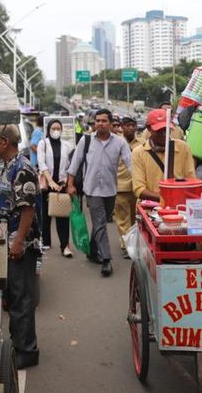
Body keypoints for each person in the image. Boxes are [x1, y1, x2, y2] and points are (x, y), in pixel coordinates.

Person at [0, 124, 40, 369]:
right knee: (14, 295)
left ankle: (27, 351)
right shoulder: (8, 167)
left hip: (20, 243)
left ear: (4, 142)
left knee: (21, 299)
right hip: (9, 240)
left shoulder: (22, 169)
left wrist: (18, 242)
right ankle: (20, 342)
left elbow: (28, 209)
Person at [66, 109, 132, 277]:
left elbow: (130, 164)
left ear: (110, 124)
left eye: (104, 121)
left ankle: (92, 251)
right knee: (100, 222)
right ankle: (106, 259)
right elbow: (75, 163)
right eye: (98, 121)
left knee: (99, 223)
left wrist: (140, 184)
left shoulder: (120, 143)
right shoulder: (86, 141)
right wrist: (70, 184)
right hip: (92, 189)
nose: (100, 123)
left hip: (111, 190)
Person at [131, 109, 197, 203]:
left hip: (179, 204)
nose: (163, 134)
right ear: (149, 128)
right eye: (159, 130)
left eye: (166, 130)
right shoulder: (138, 153)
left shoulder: (183, 148)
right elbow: (139, 189)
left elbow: (191, 180)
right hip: (151, 206)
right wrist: (165, 198)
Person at [36, 119, 75, 256]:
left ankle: (65, 246)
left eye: (58, 128)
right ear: (48, 130)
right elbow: (41, 163)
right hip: (48, 184)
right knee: (46, 214)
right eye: (53, 128)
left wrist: (65, 181)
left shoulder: (67, 146)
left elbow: (71, 165)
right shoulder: (43, 144)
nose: (56, 131)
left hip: (62, 184)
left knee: (63, 216)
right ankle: (46, 242)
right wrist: (51, 181)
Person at [114, 116, 143, 259]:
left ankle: (134, 244)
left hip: (138, 188)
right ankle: (126, 246)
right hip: (120, 186)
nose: (131, 128)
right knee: (123, 219)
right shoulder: (115, 142)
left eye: (133, 125)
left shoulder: (142, 143)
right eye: (128, 125)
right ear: (122, 127)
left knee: (135, 219)